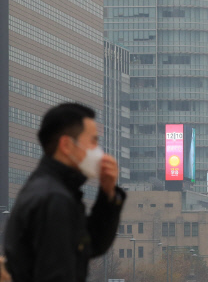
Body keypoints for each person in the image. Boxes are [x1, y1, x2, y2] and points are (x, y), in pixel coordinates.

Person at [3, 103, 126, 282]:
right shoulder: (53, 199)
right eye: (93, 141)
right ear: (66, 145)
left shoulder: (51, 189)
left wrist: (107, 195)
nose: (98, 150)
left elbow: (92, 245)